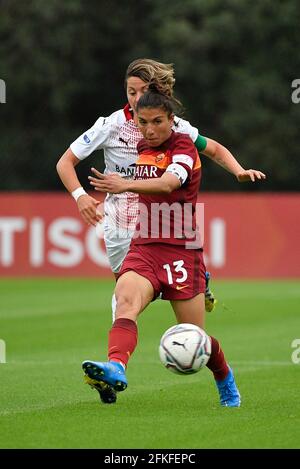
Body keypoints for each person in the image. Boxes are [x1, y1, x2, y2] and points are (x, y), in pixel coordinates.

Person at [82, 88, 266, 406]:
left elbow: (169, 183)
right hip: (144, 245)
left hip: (182, 250)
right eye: (142, 122)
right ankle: (115, 366)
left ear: (171, 120)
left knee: (195, 338)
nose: (149, 130)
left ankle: (224, 377)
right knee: (125, 303)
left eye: (157, 122)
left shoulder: (183, 146)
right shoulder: (142, 146)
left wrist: (124, 183)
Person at [56, 58, 218, 317]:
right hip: (119, 221)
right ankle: (118, 355)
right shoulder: (110, 125)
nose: (137, 97)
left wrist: (239, 170)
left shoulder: (174, 126)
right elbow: (65, 162)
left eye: (144, 91)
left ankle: (117, 356)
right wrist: (80, 197)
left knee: (144, 291)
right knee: (126, 291)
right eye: (132, 92)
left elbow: (212, 149)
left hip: (162, 218)